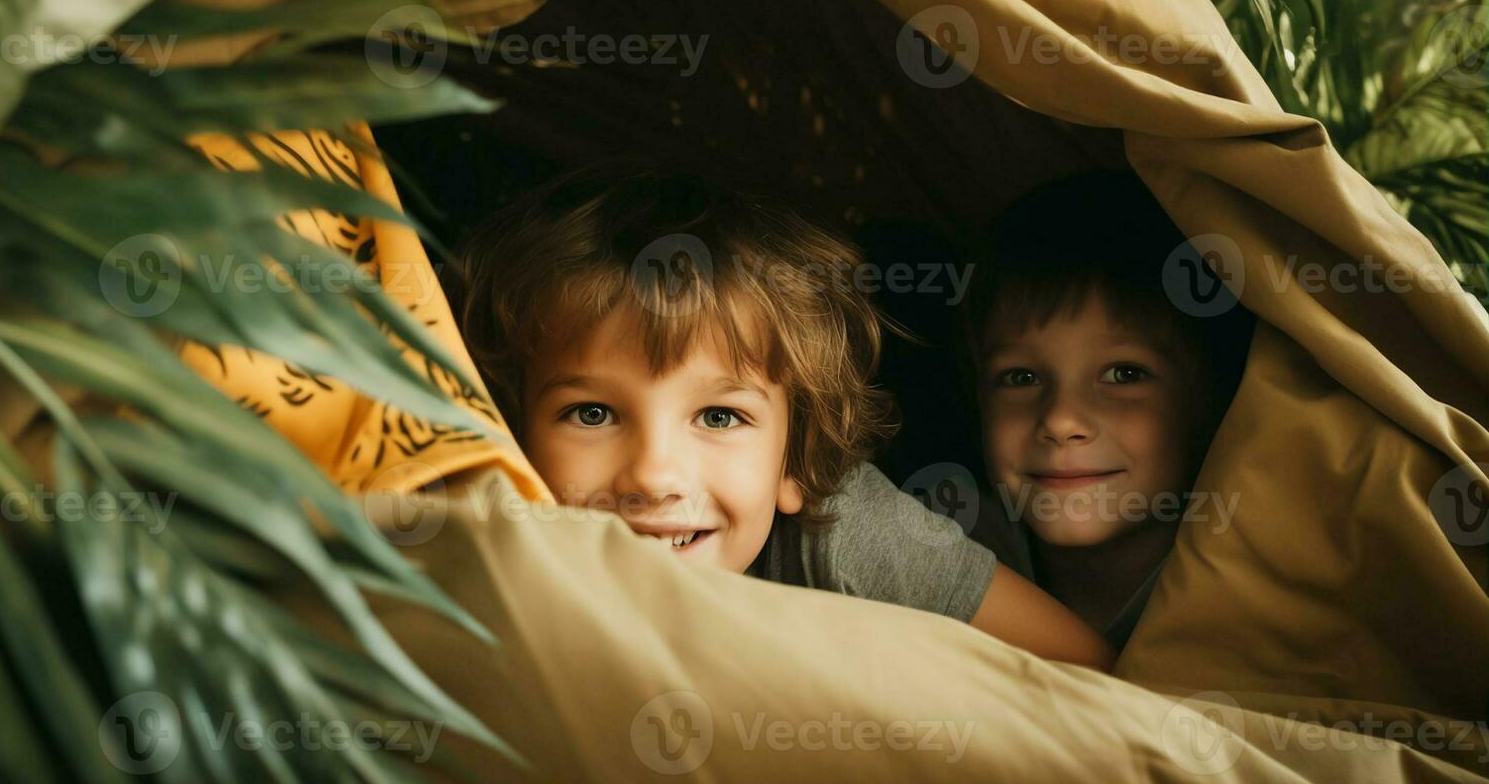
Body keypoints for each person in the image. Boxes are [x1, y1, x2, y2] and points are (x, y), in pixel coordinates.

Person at [457, 165, 1115, 669]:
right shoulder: (487, 544)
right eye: (592, 413)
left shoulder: (852, 537)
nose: (653, 475)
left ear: (793, 460)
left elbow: (1089, 673)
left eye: (718, 417)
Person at [965, 171, 1254, 651]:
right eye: (1021, 377)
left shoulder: (1263, 587)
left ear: (1213, 399)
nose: (1060, 421)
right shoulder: (947, 551)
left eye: (1124, 374)